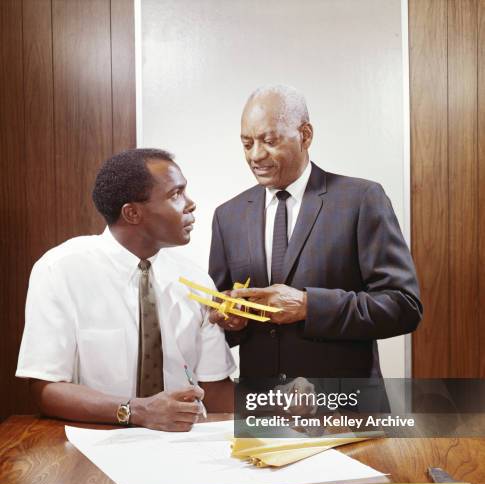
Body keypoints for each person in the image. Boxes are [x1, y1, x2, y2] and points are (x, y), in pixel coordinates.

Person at [209, 85, 422, 383]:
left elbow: (403, 306)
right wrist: (229, 321)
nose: (256, 155)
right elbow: (219, 321)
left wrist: (309, 306)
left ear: (305, 135)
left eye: (269, 141)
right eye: (247, 144)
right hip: (260, 409)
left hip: (343, 408)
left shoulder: (361, 200)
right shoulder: (227, 216)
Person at [17, 149, 235, 431]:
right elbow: (46, 389)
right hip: (97, 443)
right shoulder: (59, 270)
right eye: (175, 194)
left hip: (183, 444)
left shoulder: (196, 280)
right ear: (132, 213)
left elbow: (215, 390)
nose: (190, 204)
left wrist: (292, 421)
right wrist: (138, 411)